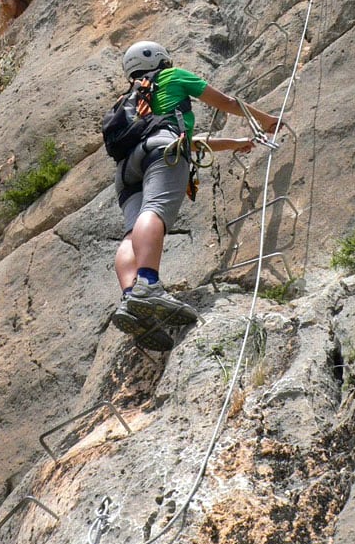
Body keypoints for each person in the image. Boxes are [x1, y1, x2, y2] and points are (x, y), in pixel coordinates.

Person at [110, 39, 281, 350]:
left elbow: (186, 140)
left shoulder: (129, 99)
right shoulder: (172, 77)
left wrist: (233, 142)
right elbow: (227, 101)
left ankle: (130, 298)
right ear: (161, 58)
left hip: (126, 169)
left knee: (130, 233)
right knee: (156, 209)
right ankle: (148, 283)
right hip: (162, 151)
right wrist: (265, 120)